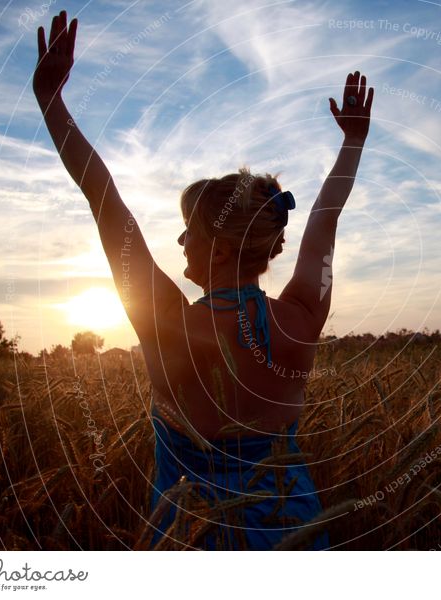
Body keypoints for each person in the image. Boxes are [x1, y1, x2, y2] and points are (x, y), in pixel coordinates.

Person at [32, 11, 374, 549]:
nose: (180, 242)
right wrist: (353, 141)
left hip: (188, 544)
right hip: (294, 540)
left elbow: (104, 200)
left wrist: (51, 103)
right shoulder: (304, 315)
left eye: (187, 232)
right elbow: (326, 215)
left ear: (214, 247)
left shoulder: (165, 322)